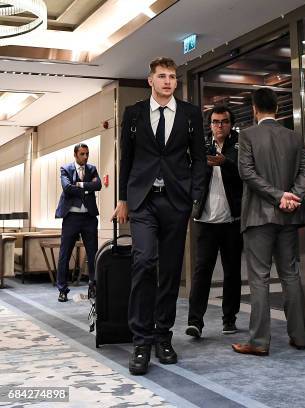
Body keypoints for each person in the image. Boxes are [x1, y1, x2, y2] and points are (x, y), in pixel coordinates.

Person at [112, 57, 205, 375]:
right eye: (162, 76)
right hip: (143, 201)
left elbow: (199, 160)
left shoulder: (191, 115)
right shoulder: (134, 114)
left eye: (172, 77)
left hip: (176, 202)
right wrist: (123, 197)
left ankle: (162, 336)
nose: (168, 81)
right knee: (144, 262)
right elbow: (127, 157)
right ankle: (141, 340)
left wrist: (195, 197)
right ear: (150, 80)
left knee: (170, 271)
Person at [231, 87, 305, 356]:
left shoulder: (248, 134)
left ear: (254, 109)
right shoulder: (293, 136)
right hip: (288, 217)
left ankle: (258, 342)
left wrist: (278, 197)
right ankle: (299, 336)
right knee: (290, 275)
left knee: (259, 279)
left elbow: (247, 173)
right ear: (276, 108)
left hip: (258, 217)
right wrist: (293, 197)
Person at [187, 105, 243, 338]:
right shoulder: (201, 146)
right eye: (215, 122)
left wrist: (225, 163)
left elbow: (246, 174)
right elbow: (190, 174)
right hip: (206, 220)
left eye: (224, 122)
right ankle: (195, 321)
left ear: (231, 124)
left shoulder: (240, 146)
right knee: (202, 272)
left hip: (232, 221)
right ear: (209, 124)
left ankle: (229, 319)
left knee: (232, 272)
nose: (219, 126)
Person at [55, 143, 101, 302]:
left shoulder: (92, 169)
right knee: (64, 254)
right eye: (82, 154)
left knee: (93, 253)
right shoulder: (65, 169)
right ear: (75, 155)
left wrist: (80, 184)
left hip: (89, 218)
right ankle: (62, 289)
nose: (86, 157)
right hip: (71, 218)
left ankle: (93, 287)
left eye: (87, 154)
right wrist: (88, 187)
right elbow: (67, 188)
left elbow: (98, 185)